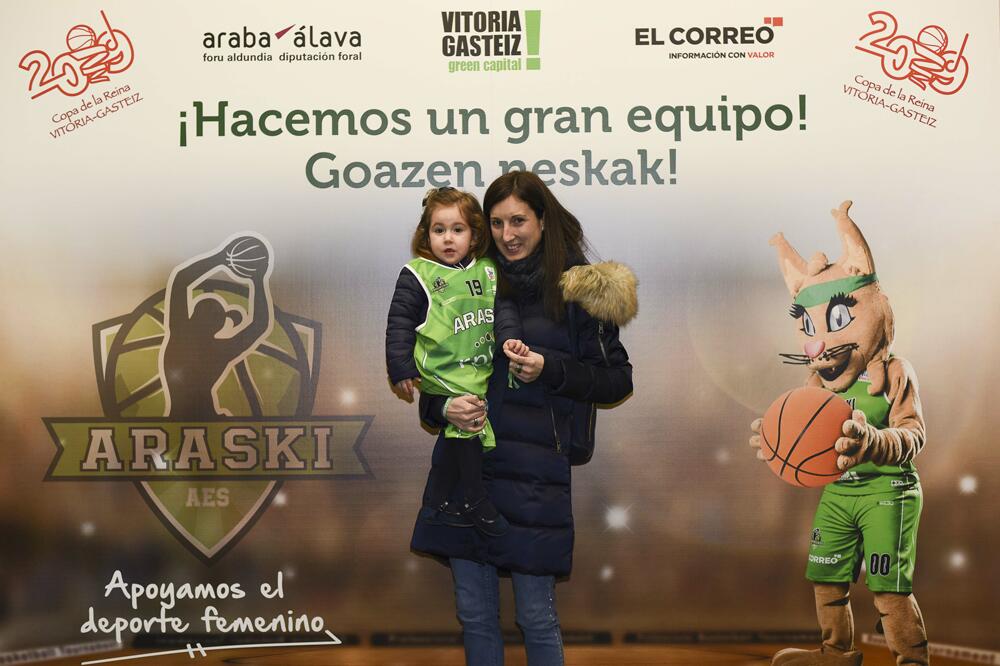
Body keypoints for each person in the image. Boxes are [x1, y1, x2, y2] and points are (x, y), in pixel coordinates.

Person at [410, 171, 637, 666]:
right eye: (495, 222)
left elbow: (618, 380)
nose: (507, 234)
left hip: (535, 479)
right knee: (474, 614)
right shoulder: (462, 283)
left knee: (535, 616)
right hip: (466, 468)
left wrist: (548, 368)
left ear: (542, 219)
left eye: (519, 220)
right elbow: (431, 376)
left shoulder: (581, 288)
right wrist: (442, 406)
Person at [386, 187, 522, 536]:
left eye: (457, 229)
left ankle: (436, 500)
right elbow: (400, 322)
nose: (448, 238)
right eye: (439, 230)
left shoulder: (489, 271)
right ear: (425, 234)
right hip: (442, 373)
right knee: (468, 423)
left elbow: (504, 309)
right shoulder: (418, 274)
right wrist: (401, 366)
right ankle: (474, 499)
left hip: (478, 369)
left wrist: (509, 338)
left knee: (459, 434)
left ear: (475, 235)